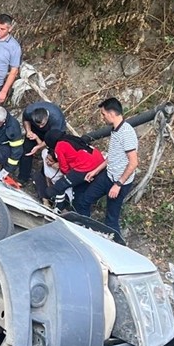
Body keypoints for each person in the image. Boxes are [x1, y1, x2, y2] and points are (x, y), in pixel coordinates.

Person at [87, 97, 138, 244]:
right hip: (108, 175)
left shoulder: (126, 133)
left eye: (103, 114)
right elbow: (113, 156)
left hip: (119, 182)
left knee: (111, 218)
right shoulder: (115, 130)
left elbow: (133, 163)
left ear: (111, 113)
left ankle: (117, 248)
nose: (102, 117)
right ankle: (85, 231)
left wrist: (118, 184)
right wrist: (96, 171)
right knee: (84, 200)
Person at [43, 130, 109, 216]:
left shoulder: (59, 146)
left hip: (85, 167)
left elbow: (64, 168)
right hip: (99, 163)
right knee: (79, 194)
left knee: (59, 186)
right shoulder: (71, 139)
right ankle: (82, 218)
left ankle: (59, 208)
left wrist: (63, 170)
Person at [19, 100, 66, 196]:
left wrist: (38, 146)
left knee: (49, 155)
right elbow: (26, 120)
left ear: (47, 117)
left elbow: (52, 139)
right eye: (38, 124)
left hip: (53, 134)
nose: (40, 126)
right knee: (27, 150)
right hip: (34, 131)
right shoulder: (29, 111)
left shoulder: (56, 119)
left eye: (42, 124)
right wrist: (28, 131)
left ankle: (44, 182)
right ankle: (23, 178)